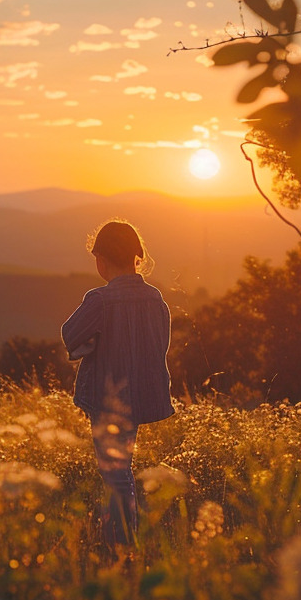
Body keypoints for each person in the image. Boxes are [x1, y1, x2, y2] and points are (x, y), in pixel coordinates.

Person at [61, 220, 174, 551]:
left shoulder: (100, 300)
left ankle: (121, 548)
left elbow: (70, 335)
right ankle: (121, 542)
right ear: (136, 257)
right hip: (140, 396)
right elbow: (160, 345)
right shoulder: (155, 299)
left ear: (101, 259)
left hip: (108, 400)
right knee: (121, 468)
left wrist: (90, 345)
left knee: (115, 474)